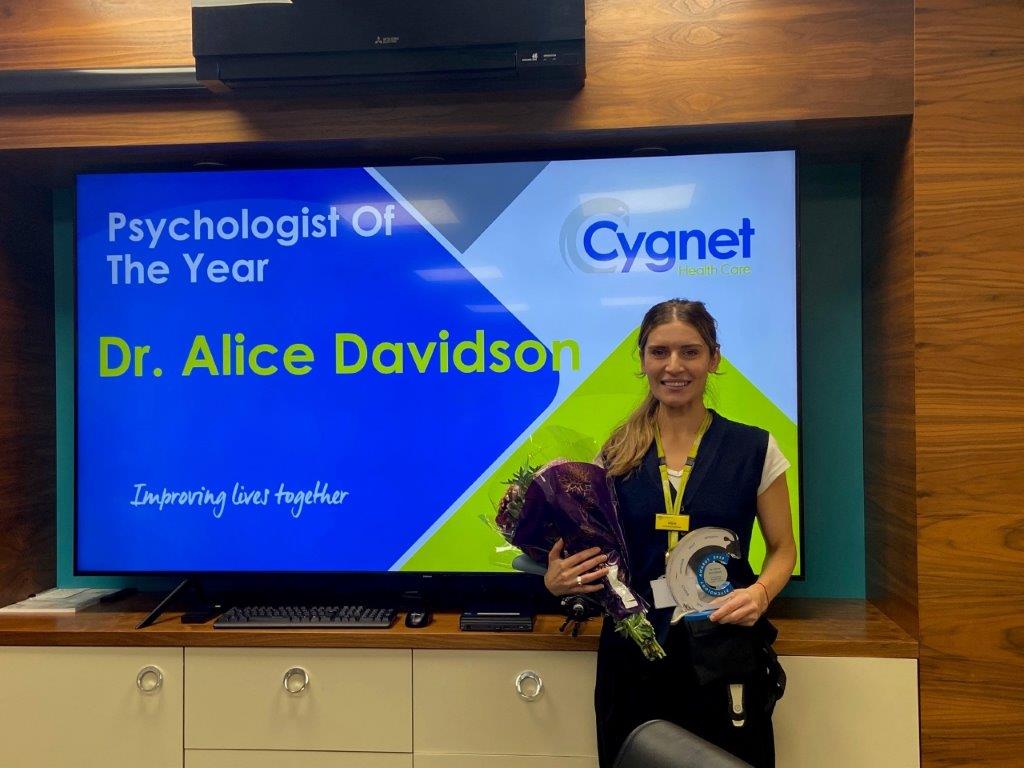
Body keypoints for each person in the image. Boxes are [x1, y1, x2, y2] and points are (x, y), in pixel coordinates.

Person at [543, 298, 797, 768]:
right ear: (643, 360)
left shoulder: (754, 448)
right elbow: (593, 559)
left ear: (714, 359)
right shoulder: (614, 454)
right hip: (633, 655)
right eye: (659, 352)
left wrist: (760, 594)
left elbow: (783, 550)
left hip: (721, 649)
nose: (674, 366)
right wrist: (561, 579)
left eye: (690, 352)